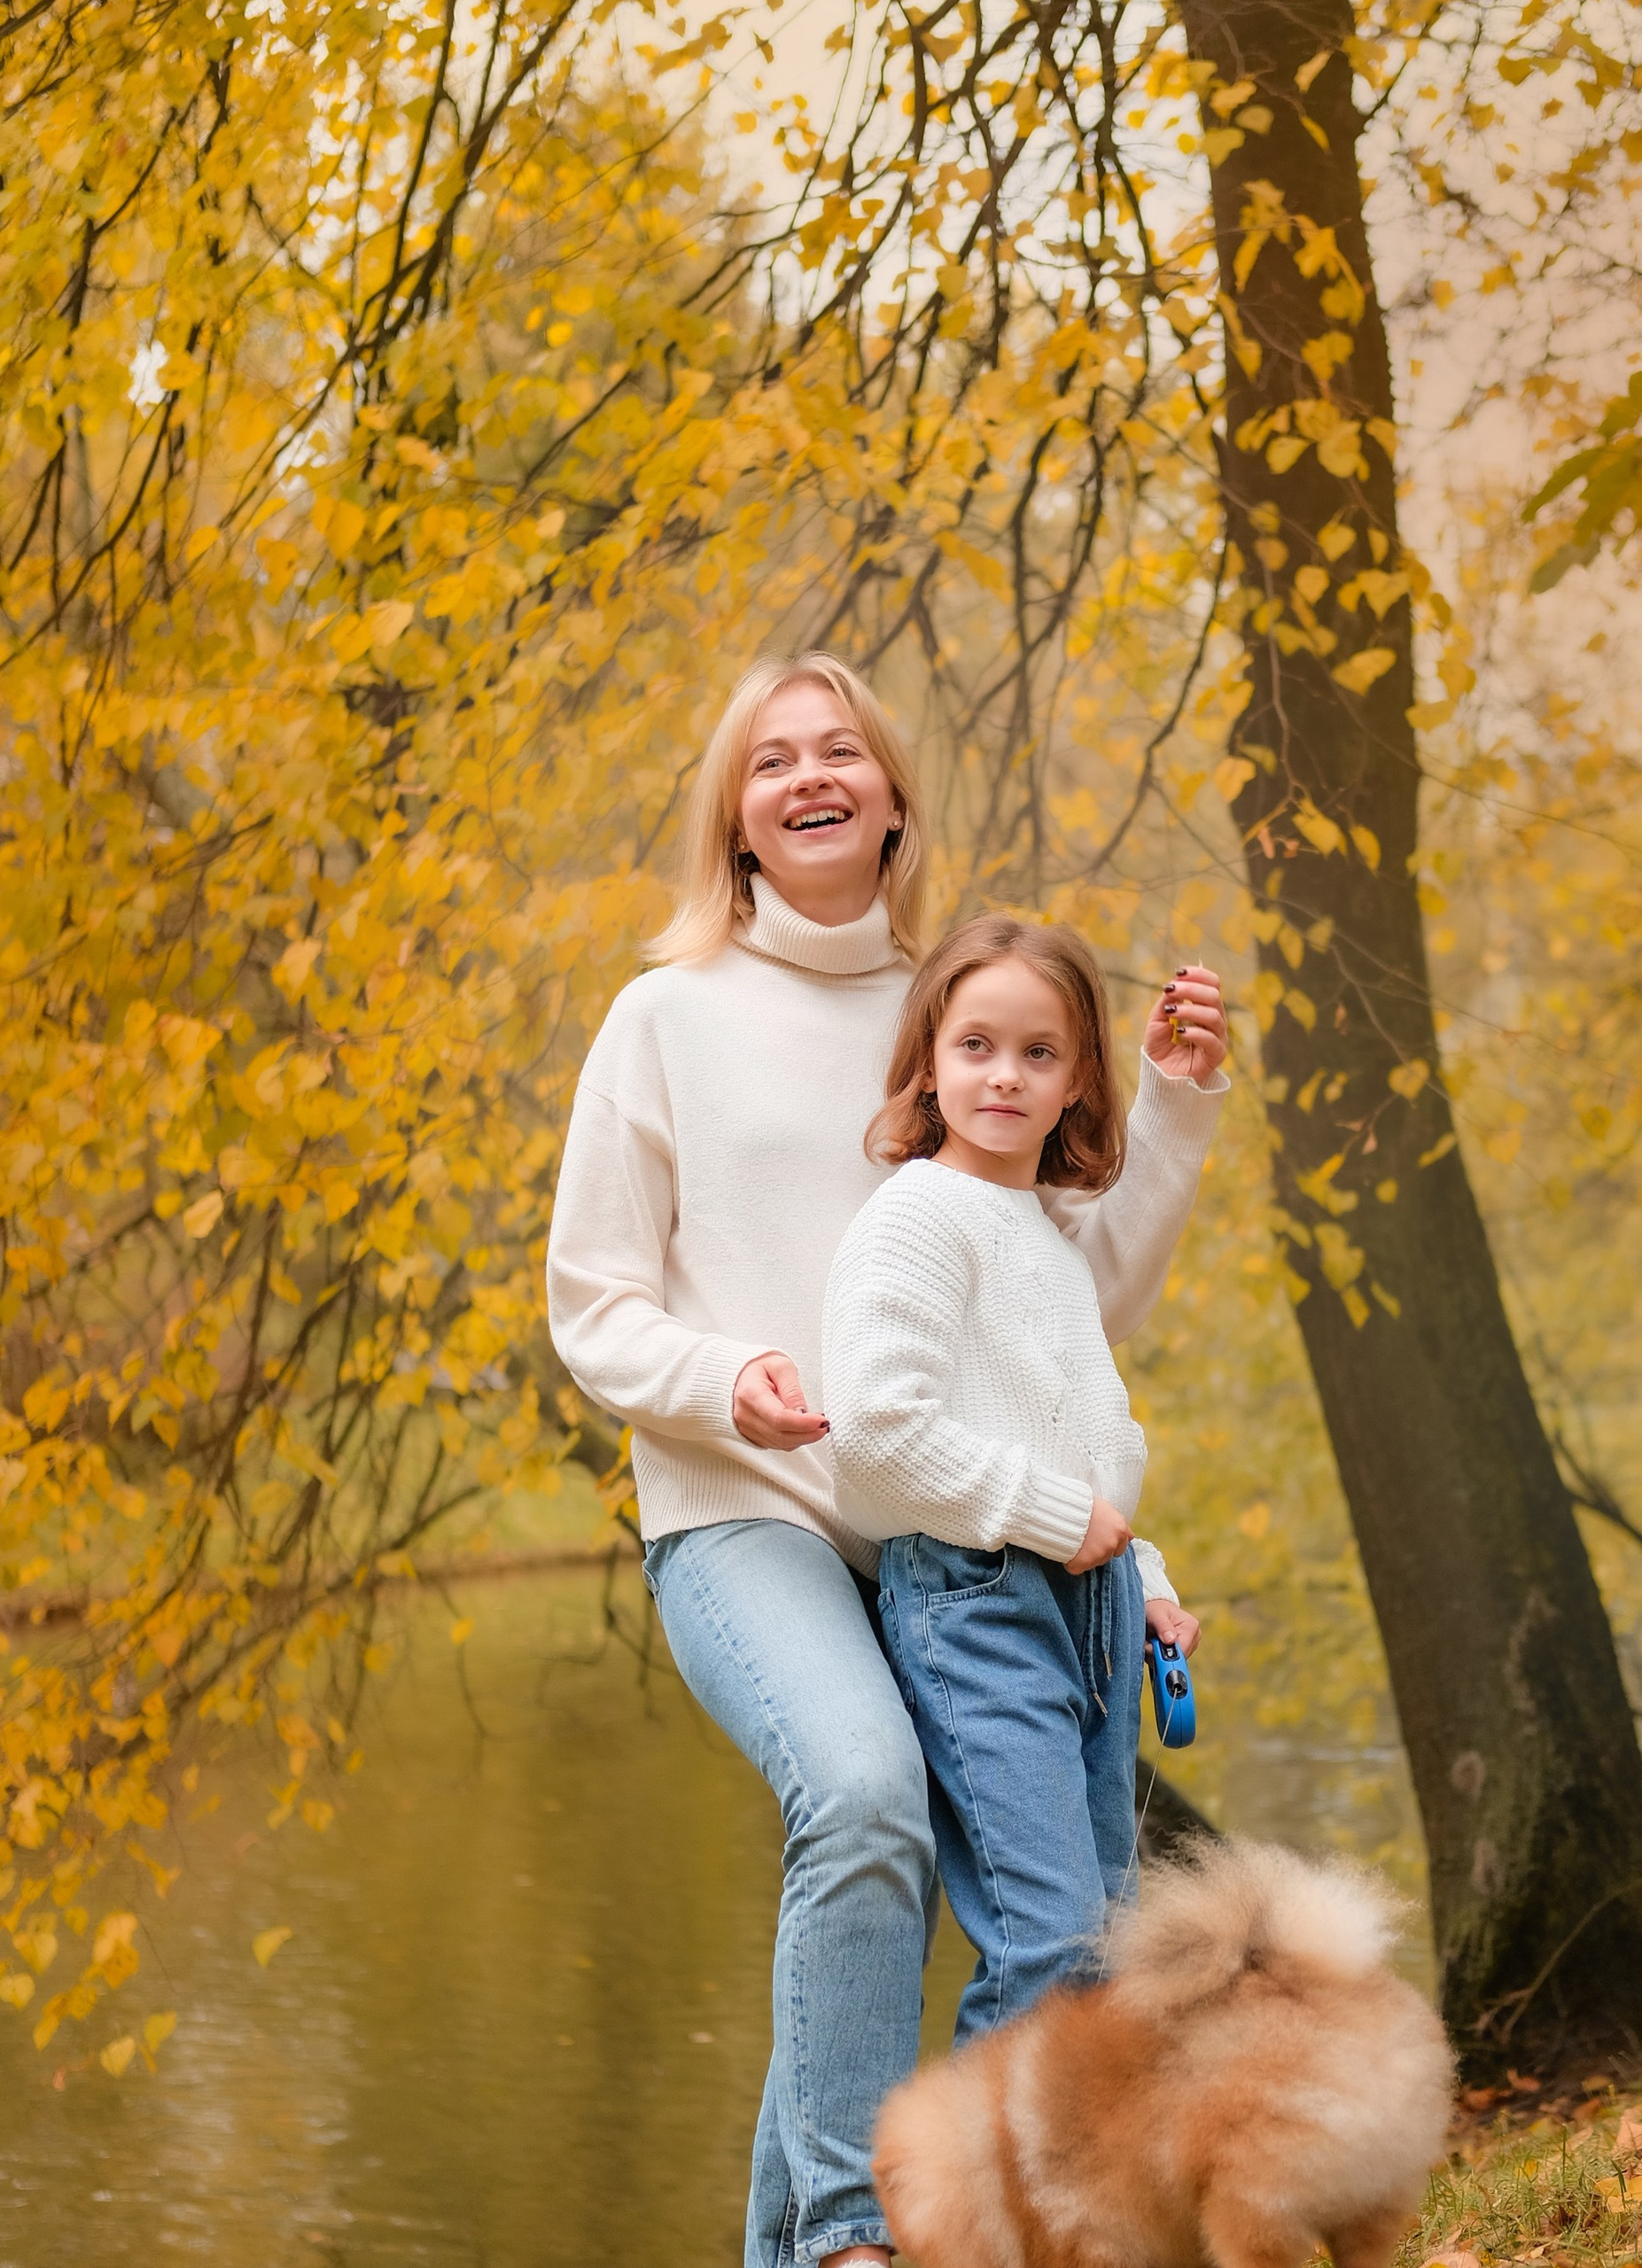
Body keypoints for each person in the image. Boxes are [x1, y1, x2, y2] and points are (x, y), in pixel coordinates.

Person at [542, 651, 1228, 2268]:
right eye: (770, 762)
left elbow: (1063, 1309)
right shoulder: (667, 1018)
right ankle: (856, 2235)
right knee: (862, 1799)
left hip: (946, 1540)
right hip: (747, 1515)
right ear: (739, 823)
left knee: (966, 1903)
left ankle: (810, 2250)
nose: (807, 776)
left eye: (838, 748)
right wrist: (729, 1379)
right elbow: (593, 1309)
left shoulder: (958, 1012)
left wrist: (1181, 1113)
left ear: (896, 797)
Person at [821, 915, 1204, 2041]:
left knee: (1100, 1944)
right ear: (929, 1062)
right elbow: (876, 1431)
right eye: (976, 1044)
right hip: (978, 1610)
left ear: (1080, 1077)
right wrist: (1057, 1518)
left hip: (1080, 1602)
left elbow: (1066, 1434)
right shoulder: (915, 1220)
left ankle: (1063, 2208)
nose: (1005, 1074)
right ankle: (985, 2213)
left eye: (1039, 1052)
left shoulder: (1038, 1229)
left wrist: (1141, 1578)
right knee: (1048, 1947)